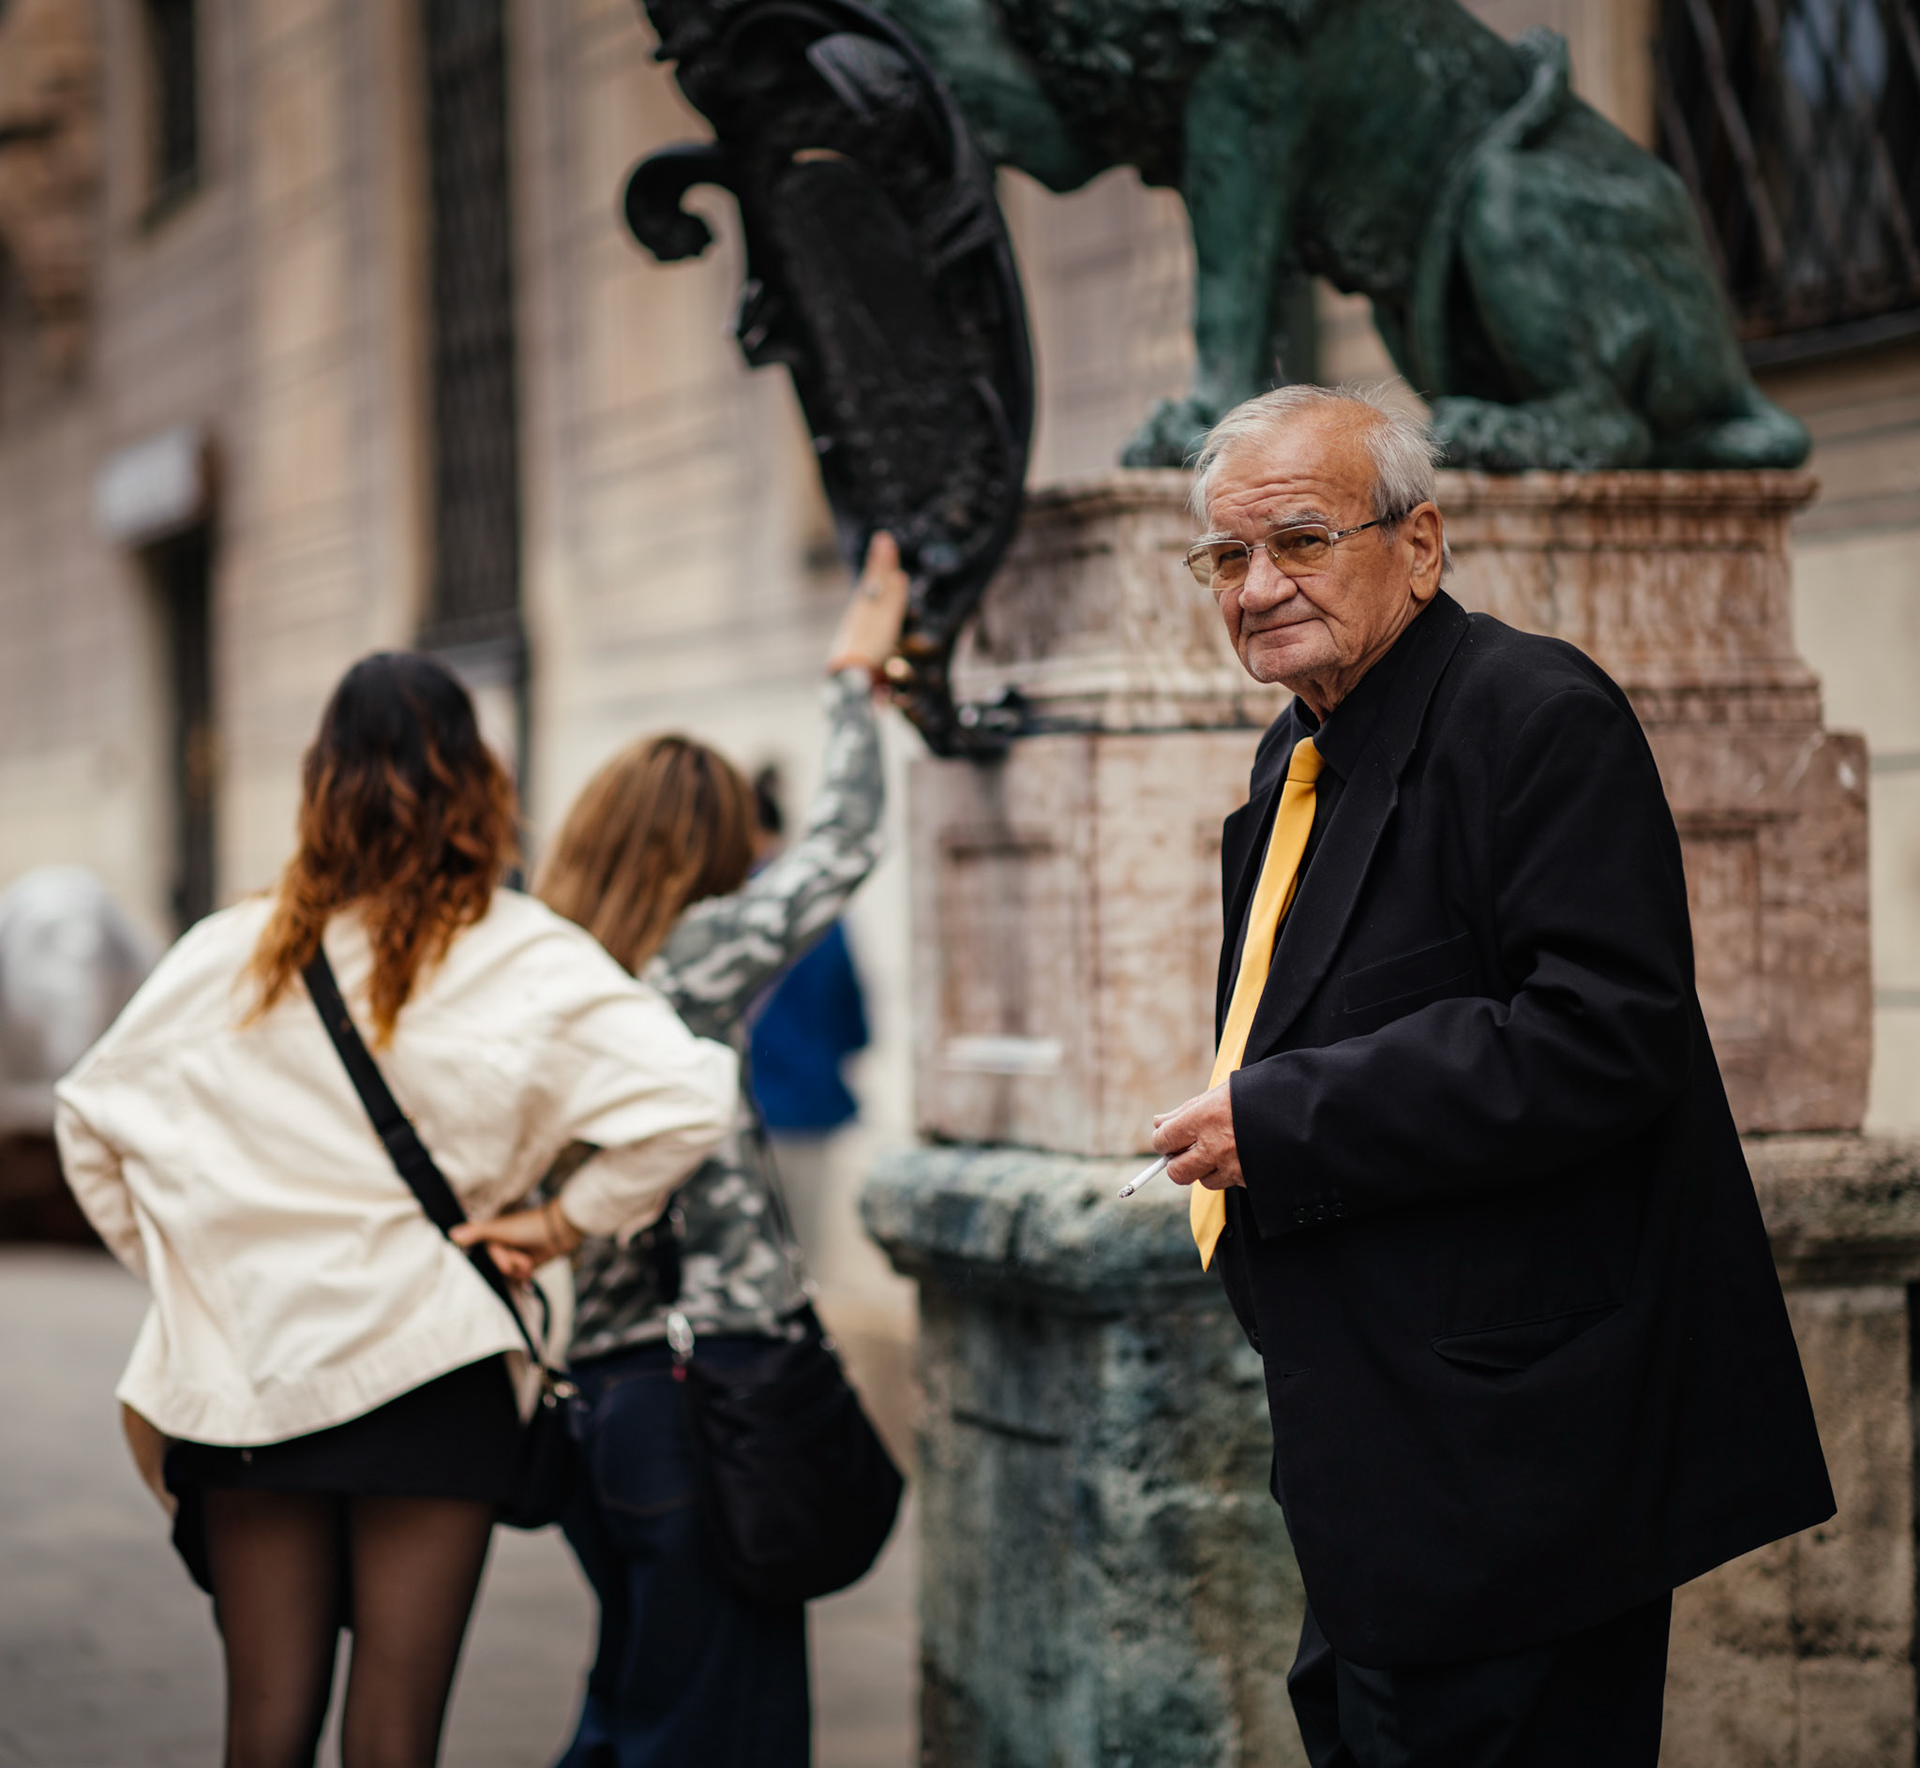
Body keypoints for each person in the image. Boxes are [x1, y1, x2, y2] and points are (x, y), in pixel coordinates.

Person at [1148, 385, 1834, 1767]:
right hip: (1377, 1463)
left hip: (1518, 1471)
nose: (1260, 588)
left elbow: (1603, 1034)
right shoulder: (1296, 752)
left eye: (1300, 539)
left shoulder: (1533, 712)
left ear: (1421, 543)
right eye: (1229, 559)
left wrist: (1281, 1119)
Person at [54, 653, 737, 1768]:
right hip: (433, 1369)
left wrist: (196, 1270)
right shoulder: (518, 951)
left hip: (249, 1374)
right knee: (396, 1738)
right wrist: (563, 1222)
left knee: (263, 1733)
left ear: (320, 785)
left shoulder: (230, 954)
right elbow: (689, 1093)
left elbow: (90, 1122)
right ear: (480, 783)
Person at [520, 533, 908, 1768]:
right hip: (707, 1399)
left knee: (639, 1699)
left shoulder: (540, 974)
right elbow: (841, 844)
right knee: (716, 1727)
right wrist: (856, 671)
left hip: (594, 1408)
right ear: (707, 854)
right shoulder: (685, 967)